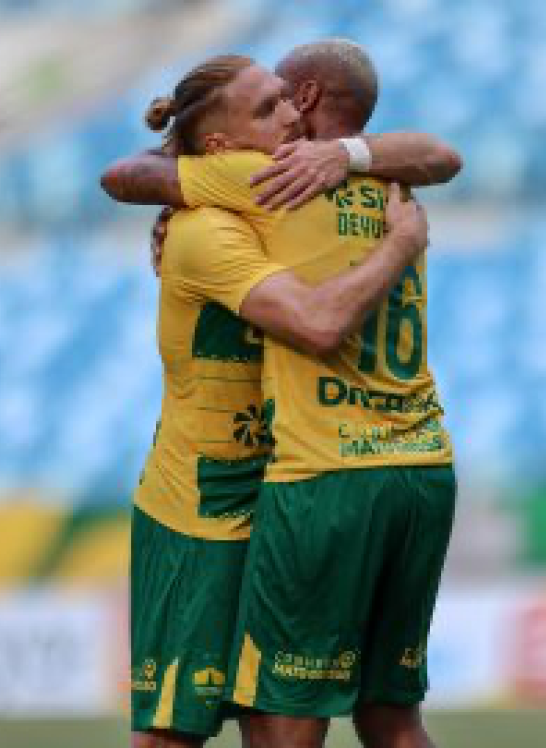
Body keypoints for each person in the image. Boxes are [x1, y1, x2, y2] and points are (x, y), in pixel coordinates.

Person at [104, 39, 461, 748]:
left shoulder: (266, 183)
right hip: (202, 512)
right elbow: (443, 156)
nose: (286, 119)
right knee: (185, 732)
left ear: (307, 100)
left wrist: (346, 158)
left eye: (283, 98)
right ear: (216, 143)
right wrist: (396, 240)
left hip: (302, 485)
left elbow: (124, 175)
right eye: (264, 106)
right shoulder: (390, 187)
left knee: (280, 721)